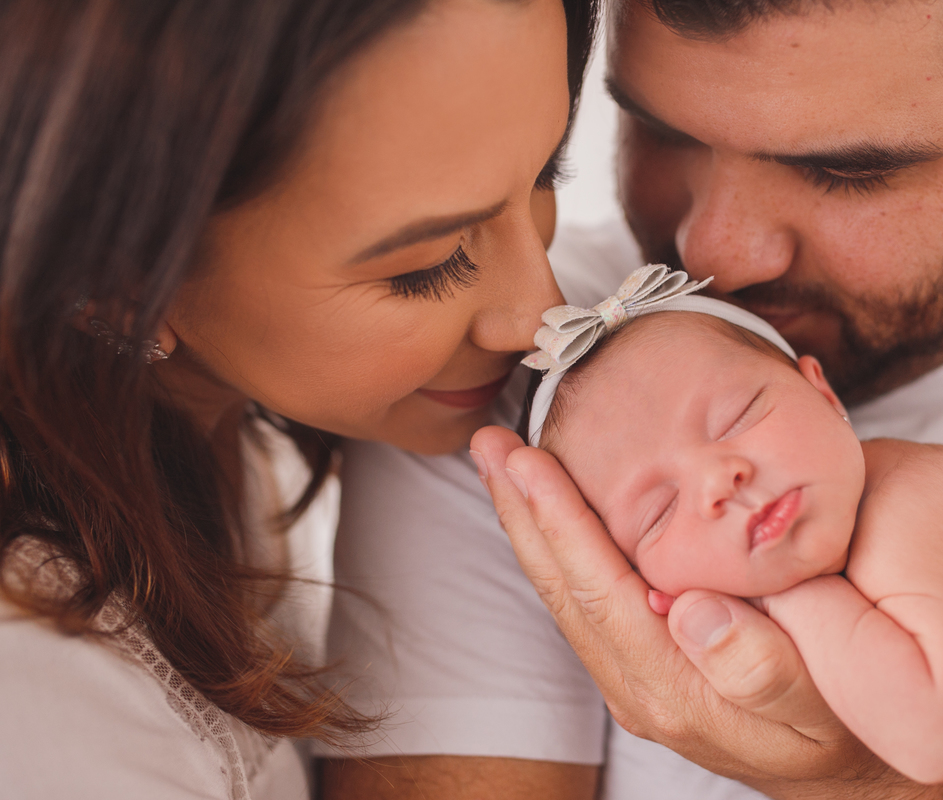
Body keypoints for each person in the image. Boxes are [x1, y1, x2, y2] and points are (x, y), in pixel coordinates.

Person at [323, 0, 943, 799]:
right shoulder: (518, 387)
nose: (719, 251)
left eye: (843, 172)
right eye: (661, 131)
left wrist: (867, 784)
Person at [0, 0, 599, 797]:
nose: (542, 315)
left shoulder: (234, 437)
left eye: (545, 174)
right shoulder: (39, 703)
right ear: (116, 279)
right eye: (427, 265)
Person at [526, 284, 943, 798]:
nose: (719, 482)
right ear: (647, 589)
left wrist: (793, 598)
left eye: (738, 416)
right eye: (660, 510)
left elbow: (935, 738)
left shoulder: (908, 504)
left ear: (823, 394)